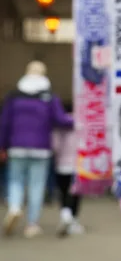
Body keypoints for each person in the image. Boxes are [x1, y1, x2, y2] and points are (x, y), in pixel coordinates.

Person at [0, 61, 73, 238]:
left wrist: (2, 145)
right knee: (36, 185)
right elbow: (61, 121)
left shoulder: (13, 97)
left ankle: (15, 207)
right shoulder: (49, 97)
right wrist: (79, 120)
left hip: (16, 147)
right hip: (41, 148)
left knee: (15, 180)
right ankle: (32, 225)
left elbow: (4, 123)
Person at [52, 114, 85, 237]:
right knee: (76, 194)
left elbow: (55, 146)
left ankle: (65, 214)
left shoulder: (59, 126)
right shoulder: (82, 124)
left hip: (62, 164)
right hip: (79, 165)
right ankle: (74, 220)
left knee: (63, 191)